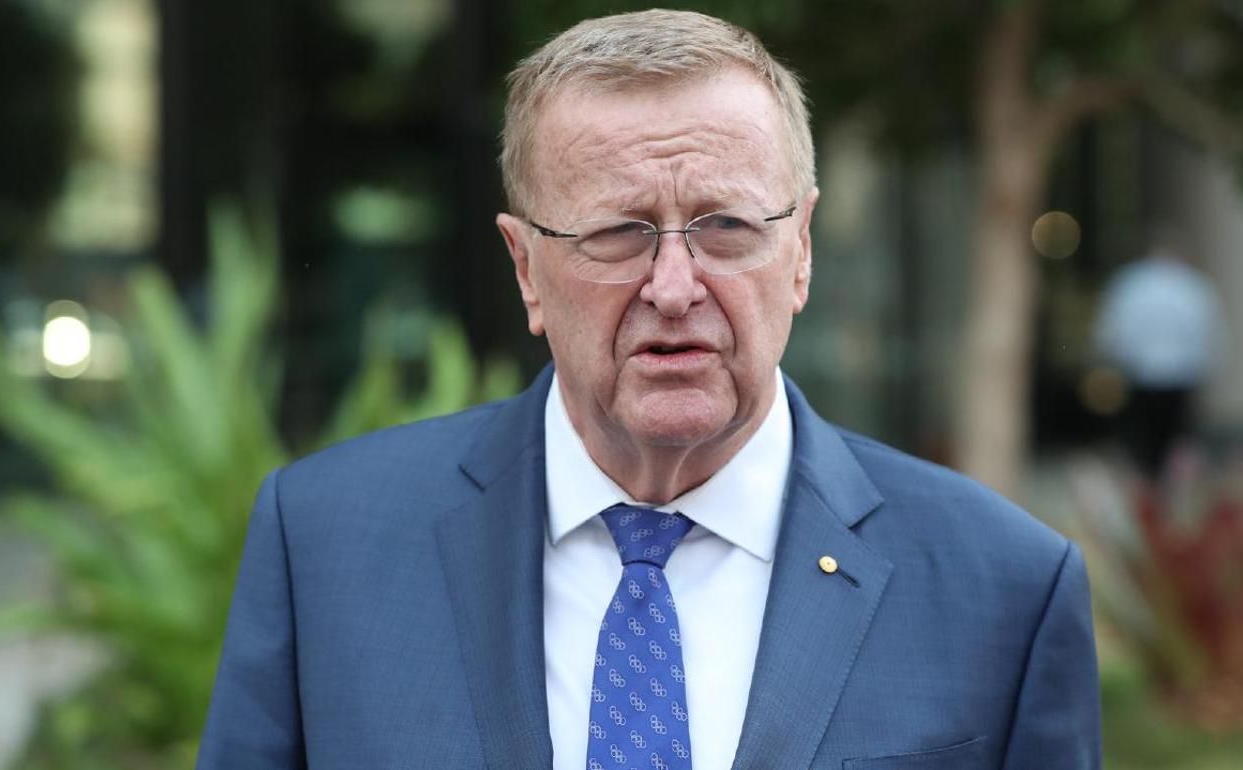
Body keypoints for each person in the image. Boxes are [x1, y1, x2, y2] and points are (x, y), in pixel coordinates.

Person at [197, 10, 1100, 769]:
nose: (674, 287)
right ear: (525, 267)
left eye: (726, 226)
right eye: (618, 233)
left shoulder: (1005, 588)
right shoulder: (324, 547)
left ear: (801, 250)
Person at [1094, 243, 1228, 475]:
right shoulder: (1192, 285)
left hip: (1141, 374)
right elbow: (1207, 332)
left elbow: (1113, 329)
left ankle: (1149, 481)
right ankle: (1166, 484)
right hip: (1179, 376)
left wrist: (1113, 359)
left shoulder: (1131, 283)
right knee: (1174, 440)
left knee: (1144, 440)